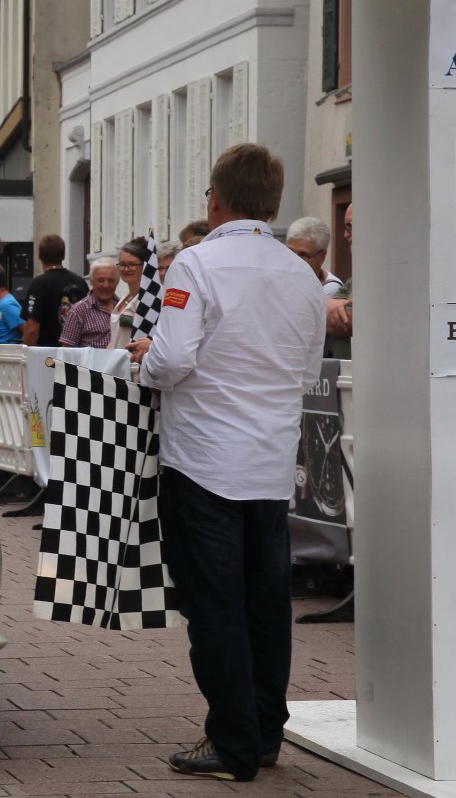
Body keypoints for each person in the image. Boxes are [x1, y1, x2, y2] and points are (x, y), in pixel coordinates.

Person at [127, 144, 325, 782]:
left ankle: (232, 742)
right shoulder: (301, 273)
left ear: (215, 199)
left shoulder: (196, 262)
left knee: (214, 605)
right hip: (270, 462)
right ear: (272, 201)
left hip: (205, 459)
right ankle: (264, 732)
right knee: (266, 603)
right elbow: (308, 371)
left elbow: (171, 360)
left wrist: (146, 358)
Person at [20, 235, 90, 347]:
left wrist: (28, 350)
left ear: (40, 256)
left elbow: (32, 328)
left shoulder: (39, 284)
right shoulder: (80, 282)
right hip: (76, 351)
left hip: (47, 352)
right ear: (63, 255)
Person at [57, 259, 120, 349]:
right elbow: (67, 351)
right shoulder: (77, 311)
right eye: (100, 280)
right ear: (91, 281)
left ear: (117, 282)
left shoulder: (125, 307)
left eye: (111, 280)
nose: (106, 285)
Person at [285, 217, 342, 298]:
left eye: (303, 256)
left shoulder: (329, 289)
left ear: (322, 256)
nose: (293, 261)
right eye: (290, 252)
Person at [109, 238, 150, 349]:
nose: (126, 269)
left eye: (132, 264)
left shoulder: (147, 299)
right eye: (122, 264)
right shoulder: (124, 298)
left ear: (144, 266)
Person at [325, 204, 354, 359]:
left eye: (350, 226)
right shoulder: (356, 277)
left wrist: (317, 310)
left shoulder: (383, 271)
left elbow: (350, 320)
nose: (345, 234)